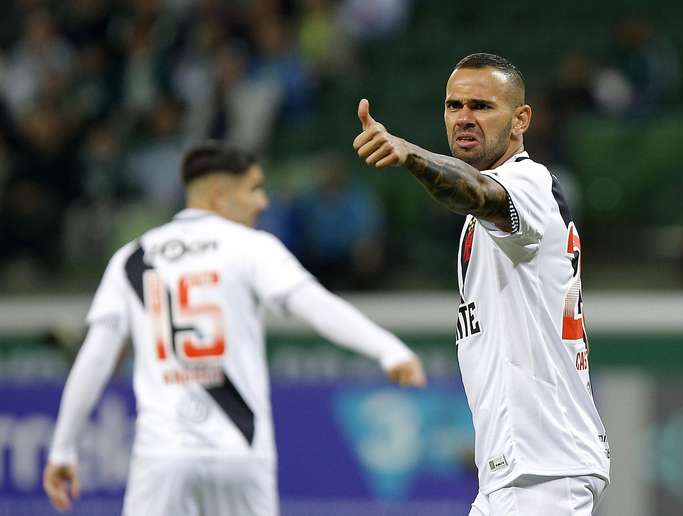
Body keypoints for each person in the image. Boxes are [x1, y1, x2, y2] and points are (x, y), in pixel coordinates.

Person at [43, 140, 426, 516]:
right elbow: (315, 304)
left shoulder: (132, 258)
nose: (263, 202)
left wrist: (62, 448)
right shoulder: (251, 247)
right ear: (218, 194)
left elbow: (95, 358)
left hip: (163, 453)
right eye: (254, 189)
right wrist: (388, 349)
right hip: (240, 446)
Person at [353, 53, 610, 515]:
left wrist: (410, 154)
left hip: (544, 473)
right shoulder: (483, 220)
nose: (464, 118)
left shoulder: (528, 183)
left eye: (481, 106)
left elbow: (482, 194)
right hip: (512, 475)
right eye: (454, 106)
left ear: (520, 119)